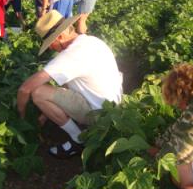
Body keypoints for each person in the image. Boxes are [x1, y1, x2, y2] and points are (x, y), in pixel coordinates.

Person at [17, 10, 123, 159]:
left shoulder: (70, 55)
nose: (50, 48)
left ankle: (79, 139)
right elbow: (68, 85)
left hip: (100, 115)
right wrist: (44, 115)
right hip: (114, 108)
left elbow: (25, 88)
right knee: (51, 91)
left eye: (50, 44)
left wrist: (21, 117)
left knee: (38, 92)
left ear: (59, 37)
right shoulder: (91, 41)